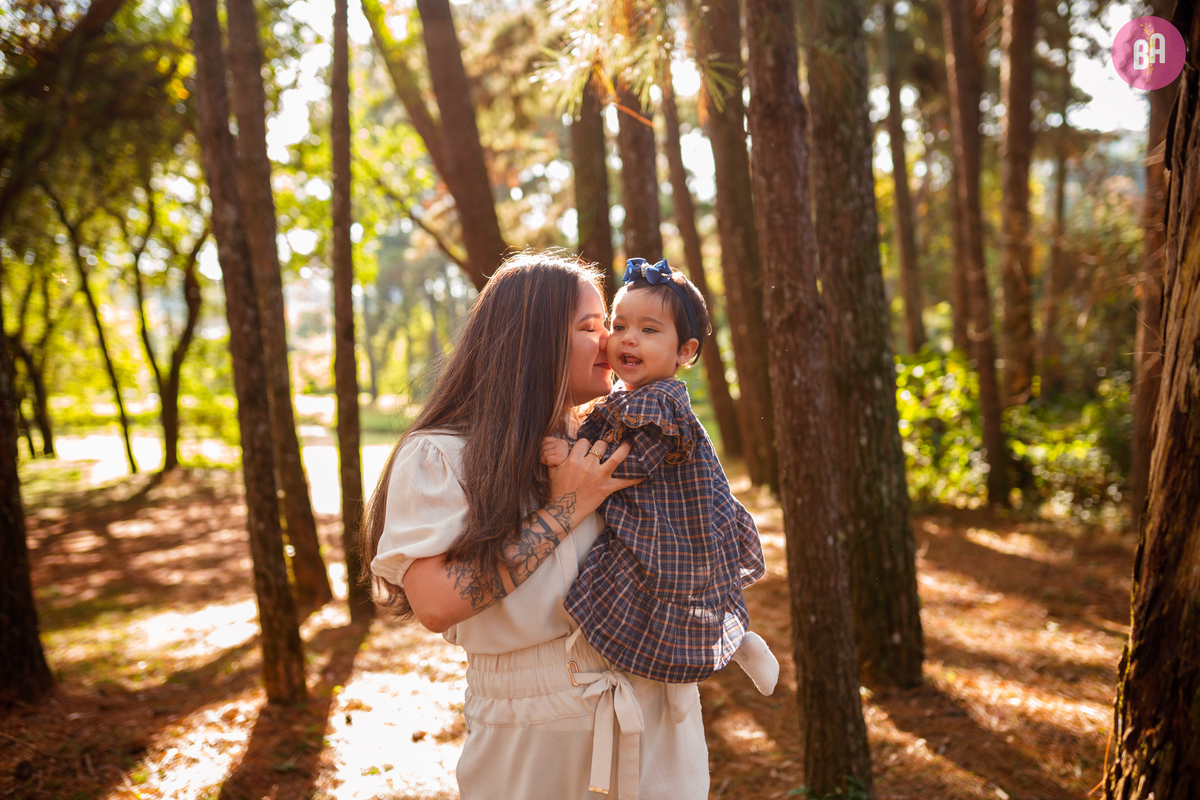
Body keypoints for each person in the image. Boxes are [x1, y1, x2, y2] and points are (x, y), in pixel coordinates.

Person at [362, 252, 710, 800]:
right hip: (533, 734)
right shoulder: (444, 454)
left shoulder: (620, 438)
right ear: (533, 339)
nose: (610, 342)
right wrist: (567, 505)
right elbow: (434, 603)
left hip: (656, 713)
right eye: (592, 327)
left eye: (612, 325)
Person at [541, 258, 778, 695]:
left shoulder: (659, 402)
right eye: (621, 324)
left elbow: (629, 463)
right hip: (659, 518)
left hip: (673, 524)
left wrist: (570, 454)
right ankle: (731, 642)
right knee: (661, 592)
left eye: (650, 331)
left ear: (684, 351)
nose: (629, 338)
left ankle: (736, 641)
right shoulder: (626, 398)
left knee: (671, 585)